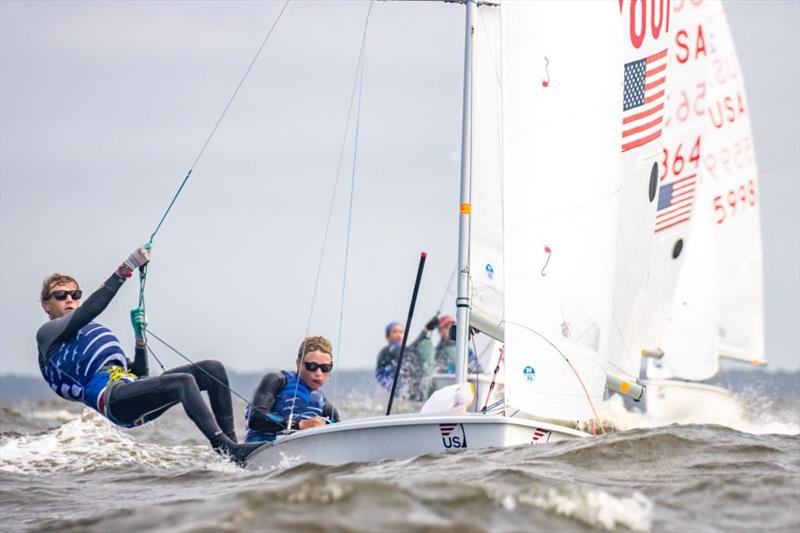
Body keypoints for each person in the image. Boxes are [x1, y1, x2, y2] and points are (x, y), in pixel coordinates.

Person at [36, 245, 260, 464]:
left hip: (129, 389)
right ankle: (224, 446)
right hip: (112, 400)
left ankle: (233, 454)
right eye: (61, 294)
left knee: (212, 369)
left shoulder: (88, 337)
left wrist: (139, 339)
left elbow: (140, 373)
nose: (69, 299)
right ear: (46, 305)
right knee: (182, 382)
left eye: (75, 294)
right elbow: (91, 310)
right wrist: (126, 268)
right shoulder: (47, 334)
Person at [244, 336, 340, 443]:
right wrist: (300, 424)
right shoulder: (277, 380)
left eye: (325, 368)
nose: (318, 373)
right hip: (261, 450)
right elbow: (256, 418)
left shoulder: (324, 405)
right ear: (299, 364)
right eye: (312, 366)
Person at [374, 320, 435, 401]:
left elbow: (408, 351)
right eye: (394, 332)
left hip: (400, 386)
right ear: (387, 336)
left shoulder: (402, 350)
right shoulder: (388, 350)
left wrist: (425, 331)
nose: (398, 334)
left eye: (401, 332)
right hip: (393, 385)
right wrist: (424, 331)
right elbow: (406, 352)